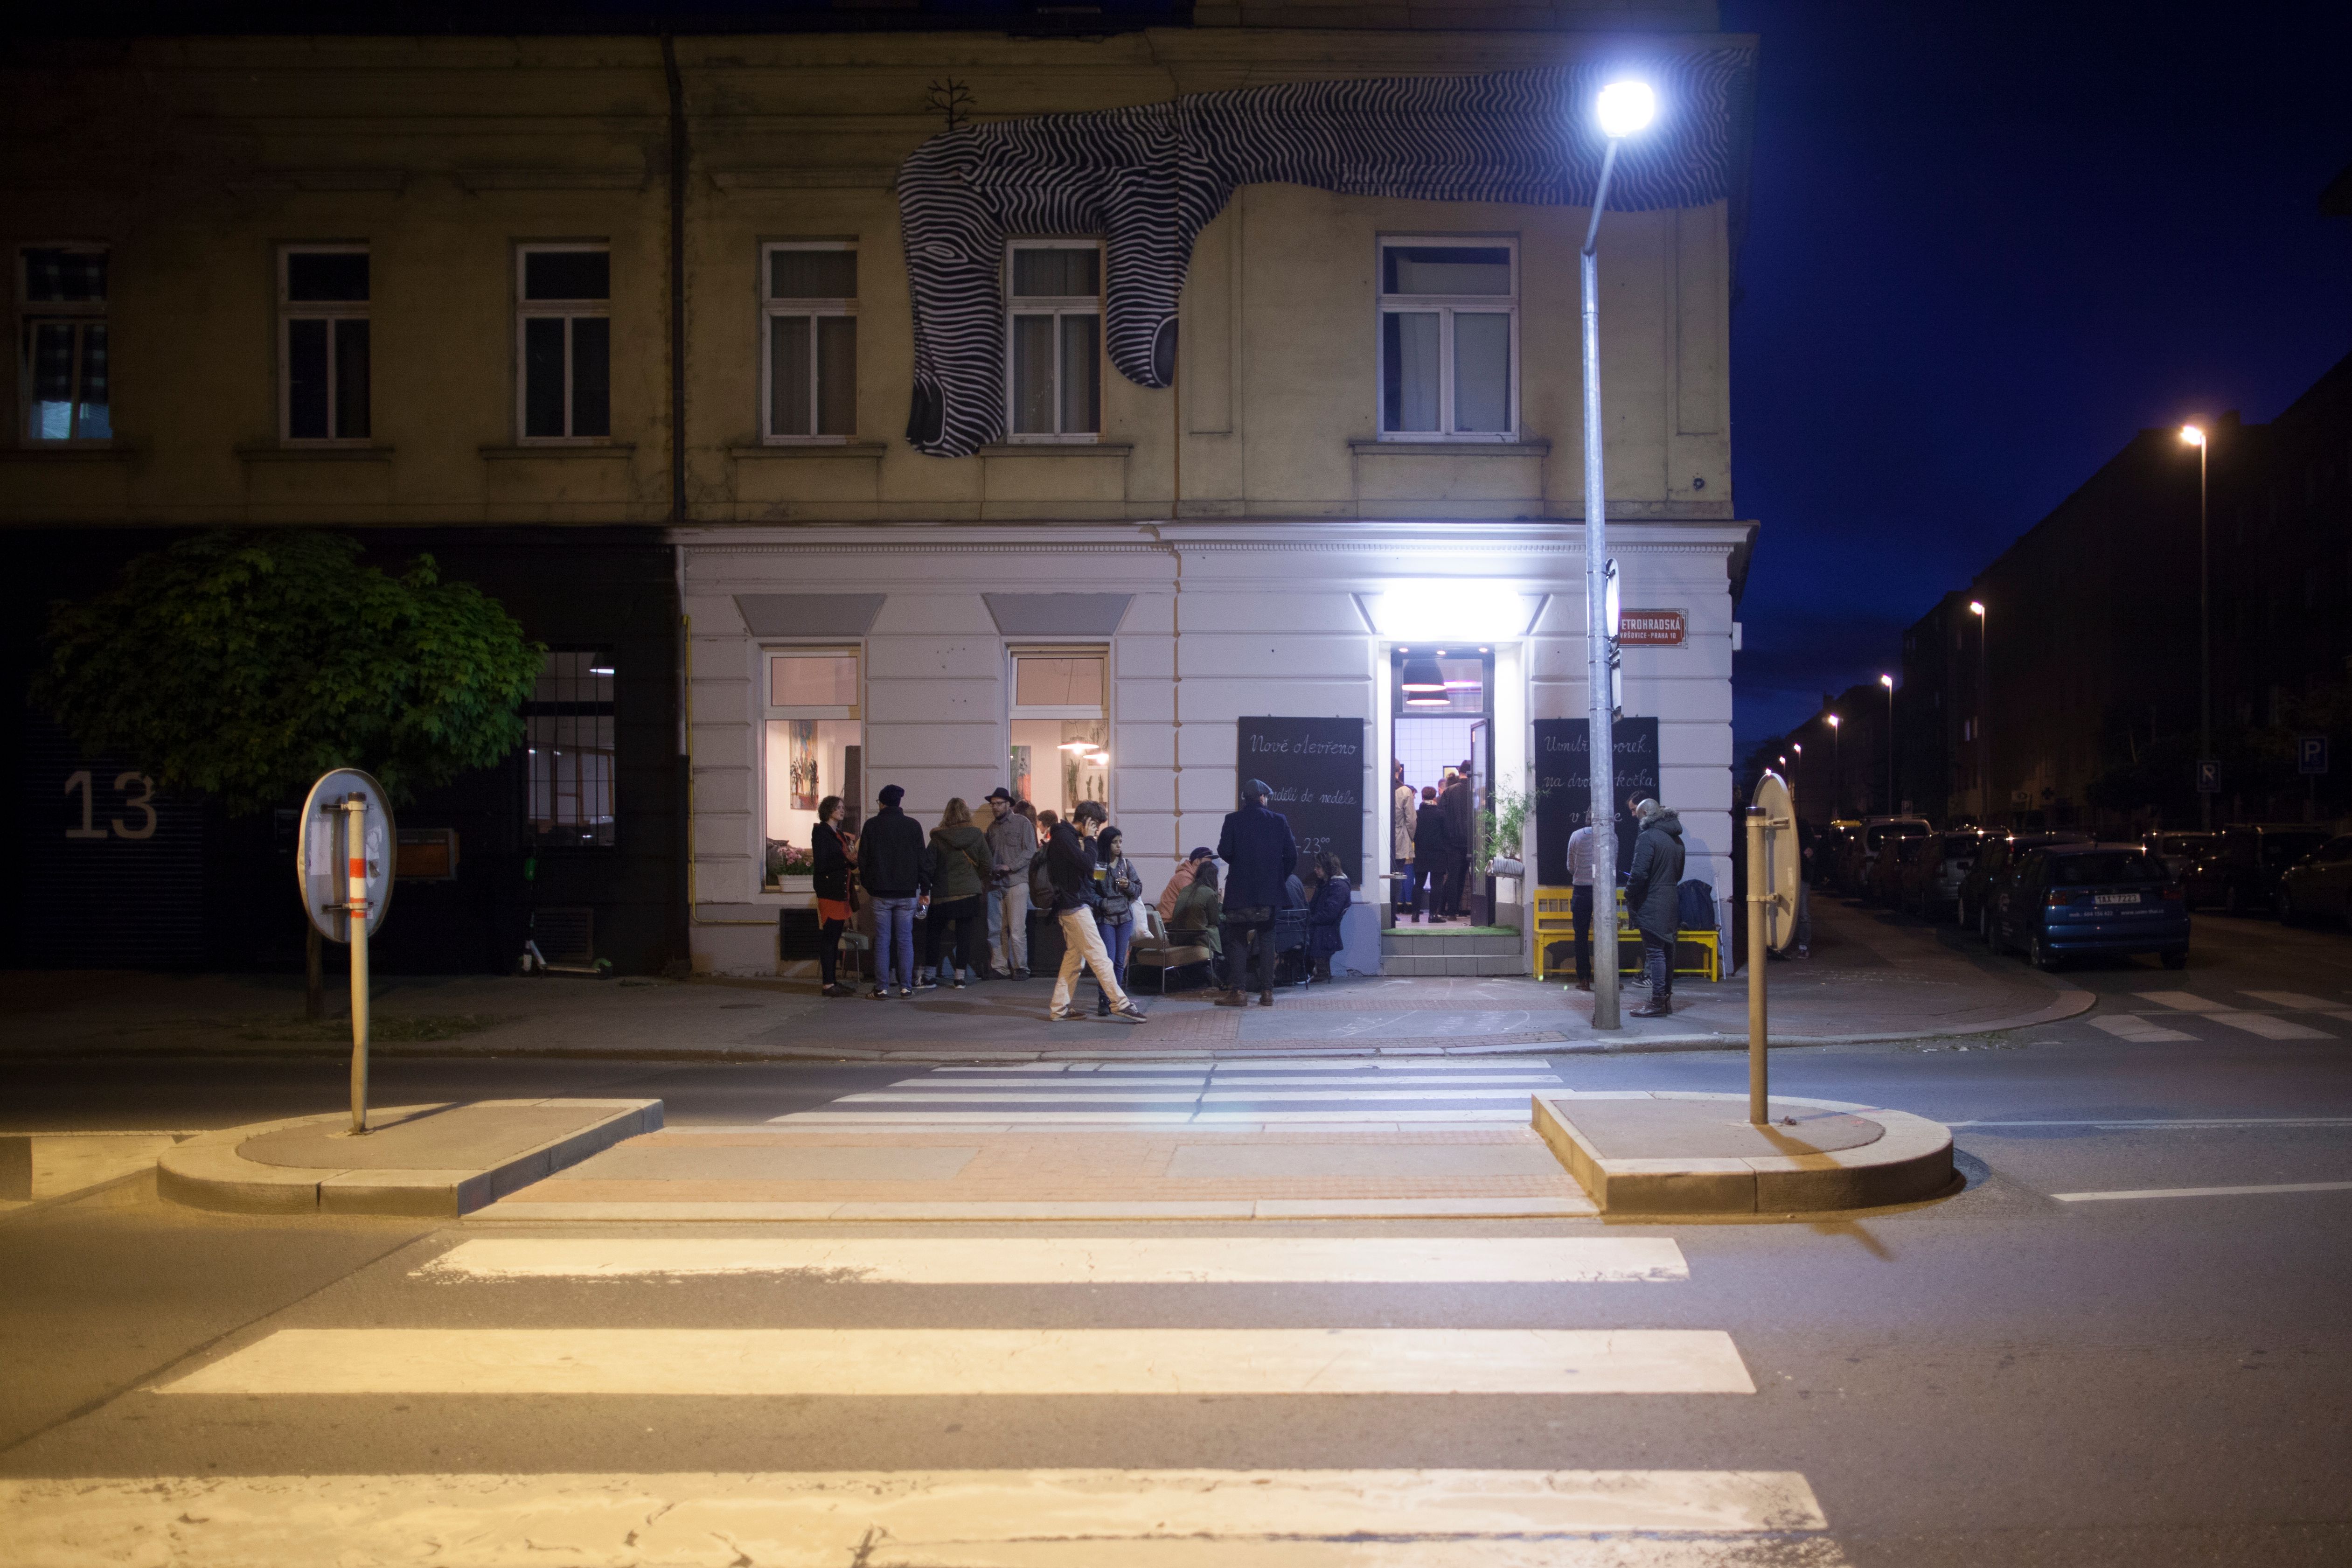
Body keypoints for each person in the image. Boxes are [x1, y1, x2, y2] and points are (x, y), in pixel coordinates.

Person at [1044, 801, 1146, 1024]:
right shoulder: (1064, 837)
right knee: (1100, 957)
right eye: (1096, 825)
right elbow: (1089, 864)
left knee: (1074, 960)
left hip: (1073, 905)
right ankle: (1120, 1003)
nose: (1097, 830)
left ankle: (1059, 1009)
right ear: (1087, 821)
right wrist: (1090, 839)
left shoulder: (1067, 837)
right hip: (1074, 906)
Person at [1214, 778, 1297, 1007]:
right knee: (1267, 939)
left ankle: (1239, 992)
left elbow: (1224, 851)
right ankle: (1267, 993)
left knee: (1237, 940)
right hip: (1268, 895)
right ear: (1262, 797)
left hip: (1239, 893)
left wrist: (1240, 863)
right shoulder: (1279, 821)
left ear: (1246, 799)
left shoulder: (1232, 820)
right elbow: (1292, 856)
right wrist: (1277, 879)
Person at [857, 783, 932, 998]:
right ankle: (906, 987)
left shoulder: (871, 826)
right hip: (907, 893)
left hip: (880, 893)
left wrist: (869, 885)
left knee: (882, 941)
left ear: (881, 803)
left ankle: (882, 988)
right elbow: (922, 860)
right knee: (905, 940)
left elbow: (863, 860)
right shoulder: (913, 826)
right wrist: (925, 889)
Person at [1623, 798, 1686, 1017]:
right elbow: (1679, 874)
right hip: (1671, 900)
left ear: (1645, 815)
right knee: (1667, 952)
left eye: (1638, 814)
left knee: (1655, 952)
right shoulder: (1677, 840)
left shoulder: (1648, 837)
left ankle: (1657, 1001)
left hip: (1651, 901)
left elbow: (1639, 873)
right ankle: (1665, 1000)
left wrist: (1629, 894)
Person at [923, 798, 990, 990]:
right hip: (969, 893)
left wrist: (929, 887)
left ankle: (929, 976)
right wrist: (974, 878)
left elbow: (928, 867)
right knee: (964, 935)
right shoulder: (976, 835)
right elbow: (987, 865)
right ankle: (960, 978)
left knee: (934, 934)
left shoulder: (938, 838)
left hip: (943, 893)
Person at [1090, 824, 1144, 1016]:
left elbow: (1138, 889)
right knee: (1108, 961)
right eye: (1115, 842)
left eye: (1120, 842)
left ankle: (1117, 999)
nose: (1119, 846)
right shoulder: (1100, 866)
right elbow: (1092, 892)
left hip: (1125, 918)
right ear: (1107, 844)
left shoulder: (1125, 864)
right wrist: (1103, 903)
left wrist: (1129, 886)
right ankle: (1104, 999)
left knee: (1120, 961)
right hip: (1106, 918)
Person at [982, 788, 1034, 981]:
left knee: (1017, 929)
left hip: (1016, 882)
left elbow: (1030, 851)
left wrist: (1010, 867)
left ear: (1008, 805)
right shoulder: (992, 828)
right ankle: (1000, 967)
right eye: (993, 804)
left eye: (998, 804)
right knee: (996, 929)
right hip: (995, 883)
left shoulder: (1022, 823)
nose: (995, 807)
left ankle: (1021, 967)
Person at [809, 795, 856, 997]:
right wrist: (846, 860)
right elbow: (823, 862)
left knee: (835, 937)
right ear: (828, 810)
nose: (842, 810)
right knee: (830, 938)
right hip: (830, 892)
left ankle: (833, 981)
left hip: (841, 892)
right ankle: (828, 985)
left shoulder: (839, 834)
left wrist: (852, 860)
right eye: (838, 807)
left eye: (843, 807)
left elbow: (843, 860)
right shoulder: (822, 832)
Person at [1169, 860, 1224, 970]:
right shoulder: (1209, 893)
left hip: (1178, 937)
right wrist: (1221, 902)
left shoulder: (1185, 890)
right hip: (1198, 937)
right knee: (1226, 930)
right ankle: (1221, 965)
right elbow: (1215, 920)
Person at [1305, 850, 1351, 982]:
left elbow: (1329, 914)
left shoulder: (1338, 887)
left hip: (1326, 930)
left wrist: (1308, 920)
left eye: (1319, 867)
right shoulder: (1326, 884)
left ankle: (1318, 971)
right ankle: (1309, 970)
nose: (1315, 870)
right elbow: (1314, 906)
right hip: (1322, 926)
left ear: (1328, 868)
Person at [1440, 762, 1476, 918]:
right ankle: (1455, 909)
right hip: (1472, 841)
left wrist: (1445, 839)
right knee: (1464, 876)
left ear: (1460, 772)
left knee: (1453, 876)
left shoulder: (1449, 791)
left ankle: (1450, 910)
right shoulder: (1475, 791)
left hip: (1452, 842)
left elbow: (1442, 816)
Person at [1566, 818, 1598, 992]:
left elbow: (1571, 867)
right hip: (1602, 891)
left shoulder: (1576, 836)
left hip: (1581, 890)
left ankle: (1584, 979)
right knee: (1606, 935)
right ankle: (1608, 978)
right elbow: (1613, 863)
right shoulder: (1612, 837)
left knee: (1581, 936)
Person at [1410, 785, 1449, 923]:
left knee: (1419, 884)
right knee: (1436, 885)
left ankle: (1415, 915)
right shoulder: (1441, 815)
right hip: (1438, 854)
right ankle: (1433, 915)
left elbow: (1413, 832)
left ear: (1422, 797)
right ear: (1435, 798)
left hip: (1420, 853)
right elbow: (1447, 834)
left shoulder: (1417, 814)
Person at [1156, 846, 1215, 924]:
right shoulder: (1185, 877)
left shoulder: (1190, 876)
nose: (1209, 866)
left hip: (1178, 921)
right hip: (1171, 922)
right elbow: (1195, 902)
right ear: (1197, 862)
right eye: (1207, 863)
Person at [1391, 761, 1417, 919]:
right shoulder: (1405, 791)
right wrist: (1411, 838)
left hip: (1383, 837)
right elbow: (1411, 820)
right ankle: (1393, 913)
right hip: (1400, 837)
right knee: (1398, 876)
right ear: (1400, 770)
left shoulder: (1382, 787)